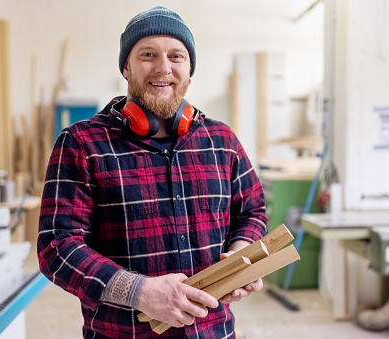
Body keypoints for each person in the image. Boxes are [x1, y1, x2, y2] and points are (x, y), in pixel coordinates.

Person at [37, 6, 268, 338]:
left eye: (177, 56)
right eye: (148, 54)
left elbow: (252, 210)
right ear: (126, 67)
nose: (164, 68)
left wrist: (240, 254)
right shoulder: (81, 143)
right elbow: (56, 245)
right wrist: (139, 291)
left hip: (214, 331)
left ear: (189, 70)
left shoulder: (222, 140)